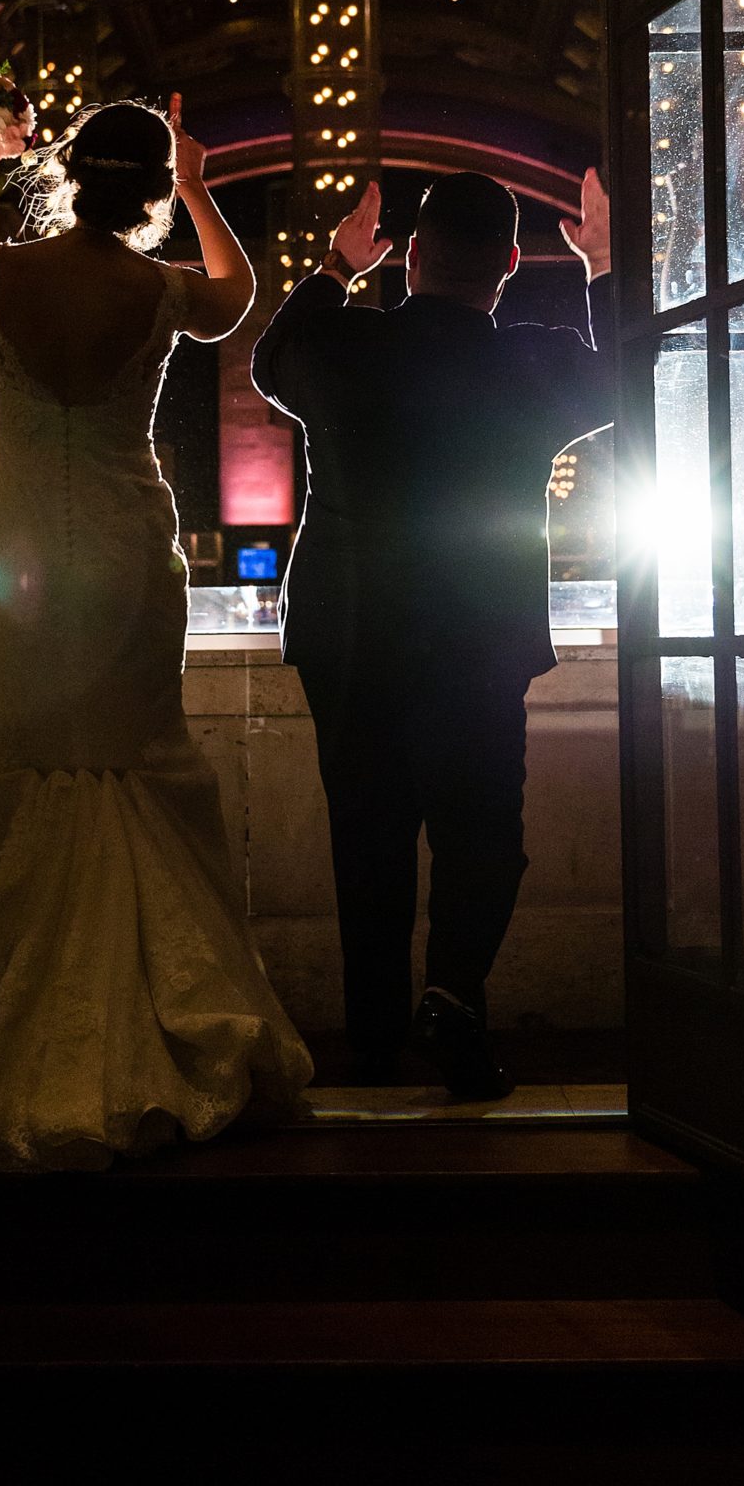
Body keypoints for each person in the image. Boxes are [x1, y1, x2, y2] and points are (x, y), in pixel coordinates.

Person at [0, 95, 314, 1170]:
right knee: (131, 754)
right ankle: (149, 1001)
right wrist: (198, 182)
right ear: (144, 187)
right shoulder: (160, 287)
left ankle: (6, 1022)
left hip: (24, 536)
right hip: (130, 537)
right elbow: (240, 297)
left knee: (30, 750)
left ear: (72, 174)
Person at [251, 168, 613, 1099]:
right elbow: (633, 375)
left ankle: (372, 1047)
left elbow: (271, 356)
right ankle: (453, 999)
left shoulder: (345, 348)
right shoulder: (533, 364)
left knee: (365, 848)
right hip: (476, 643)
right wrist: (605, 263)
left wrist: (338, 265)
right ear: (509, 267)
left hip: (351, 636)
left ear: (409, 256)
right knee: (483, 836)